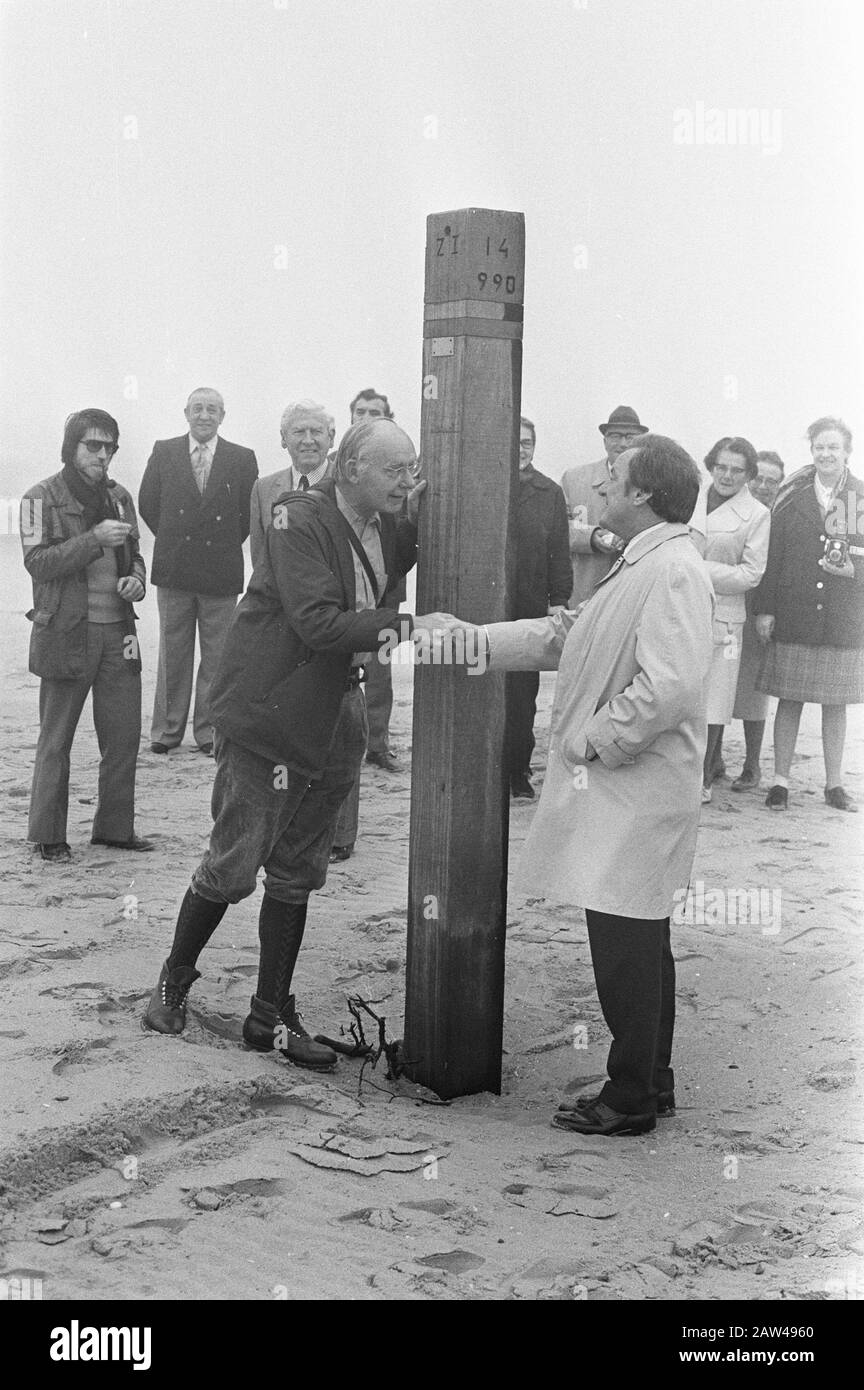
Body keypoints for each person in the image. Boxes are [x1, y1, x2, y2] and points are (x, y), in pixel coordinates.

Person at [141, 419, 450, 1068]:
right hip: (271, 716)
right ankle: (172, 981)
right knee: (232, 865)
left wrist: (427, 508)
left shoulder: (391, 524)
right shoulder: (296, 520)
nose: (406, 482)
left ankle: (270, 1016)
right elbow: (317, 623)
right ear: (350, 468)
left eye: (412, 470)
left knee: (298, 872)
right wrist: (413, 625)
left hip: (341, 711)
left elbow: (397, 561)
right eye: (395, 471)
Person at [447, 435, 713, 1135]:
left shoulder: (673, 570)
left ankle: (629, 1098)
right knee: (637, 936)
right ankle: (649, 1082)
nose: (601, 491)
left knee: (626, 941)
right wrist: (471, 640)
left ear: (645, 495)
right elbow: (567, 637)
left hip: (637, 789)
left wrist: (595, 739)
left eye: (615, 480)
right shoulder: (645, 564)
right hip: (632, 790)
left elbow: (672, 687)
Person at [21, 409, 151, 862]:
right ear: (71, 447)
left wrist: (137, 580)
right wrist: (94, 539)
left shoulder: (120, 497)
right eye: (92, 445)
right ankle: (48, 835)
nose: (102, 454)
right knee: (56, 739)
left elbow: (136, 557)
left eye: (109, 446)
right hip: (65, 633)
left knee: (123, 738)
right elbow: (37, 562)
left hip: (121, 633)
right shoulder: (38, 498)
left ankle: (115, 830)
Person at [138, 387, 258, 755]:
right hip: (174, 569)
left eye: (212, 410)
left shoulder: (242, 458)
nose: (204, 415)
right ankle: (167, 731)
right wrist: (177, 539)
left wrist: (218, 542)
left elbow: (246, 516)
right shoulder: (165, 450)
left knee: (218, 656)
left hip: (220, 572)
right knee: (173, 654)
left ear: (223, 416)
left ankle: (208, 732)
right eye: (197, 409)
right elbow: (148, 504)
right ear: (185, 413)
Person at [754, 416, 864, 813]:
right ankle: (780, 783)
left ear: (847, 451)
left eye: (833, 447)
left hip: (842, 617)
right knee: (789, 699)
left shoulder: (859, 497)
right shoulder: (792, 496)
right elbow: (772, 556)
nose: (826, 454)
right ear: (811, 450)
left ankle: (834, 786)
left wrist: (854, 570)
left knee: (836, 705)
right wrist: (764, 609)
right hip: (794, 611)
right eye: (819, 446)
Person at [330, 388, 403, 863]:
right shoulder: (314, 507)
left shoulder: (392, 502)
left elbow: (399, 557)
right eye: (361, 415)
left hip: (369, 623)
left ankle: (340, 838)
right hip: (323, 637)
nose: (405, 480)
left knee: (365, 698)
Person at [689, 437, 770, 804]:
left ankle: (703, 778)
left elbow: (751, 574)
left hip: (725, 618)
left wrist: (694, 569)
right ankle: (676, 773)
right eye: (721, 466)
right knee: (678, 692)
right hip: (682, 608)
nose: (727, 475)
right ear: (711, 465)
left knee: (715, 702)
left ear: (749, 475)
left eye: (737, 470)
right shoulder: (690, 497)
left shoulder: (756, 514)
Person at [506, 416, 572, 799]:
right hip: (486, 607)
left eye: (527, 442)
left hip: (529, 606)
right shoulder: (484, 483)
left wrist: (558, 601)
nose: (520, 449)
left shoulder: (548, 492)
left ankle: (517, 770)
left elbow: (559, 554)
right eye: (513, 441)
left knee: (522, 694)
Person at [726, 452, 785, 790]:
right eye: (758, 478)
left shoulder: (781, 517)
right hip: (726, 600)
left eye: (771, 481)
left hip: (760, 608)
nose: (763, 486)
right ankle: (714, 759)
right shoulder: (731, 510)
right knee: (718, 684)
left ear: (779, 485)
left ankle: (752, 765)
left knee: (753, 687)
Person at [560, 406, 649, 606]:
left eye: (630, 437)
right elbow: (557, 530)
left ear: (642, 441)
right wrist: (590, 536)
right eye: (615, 436)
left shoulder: (654, 482)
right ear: (604, 441)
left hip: (632, 591)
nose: (623, 444)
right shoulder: (574, 479)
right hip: (584, 587)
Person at [248, 401, 335, 569]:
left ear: (331, 438)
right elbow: (261, 563)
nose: (308, 440)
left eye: (316, 431)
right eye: (299, 432)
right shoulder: (263, 489)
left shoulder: (346, 486)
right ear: (283, 438)